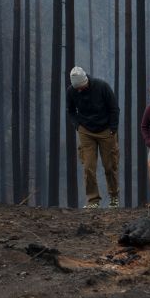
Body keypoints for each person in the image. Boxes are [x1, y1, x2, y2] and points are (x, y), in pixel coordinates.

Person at [66, 66, 120, 208]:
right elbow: (70, 110)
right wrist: (77, 125)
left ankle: (114, 197)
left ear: (86, 81)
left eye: (81, 87)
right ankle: (93, 200)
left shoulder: (102, 86)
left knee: (110, 166)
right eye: (76, 88)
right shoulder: (71, 91)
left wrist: (113, 129)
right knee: (88, 167)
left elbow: (114, 108)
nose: (79, 90)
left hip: (106, 130)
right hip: (85, 131)